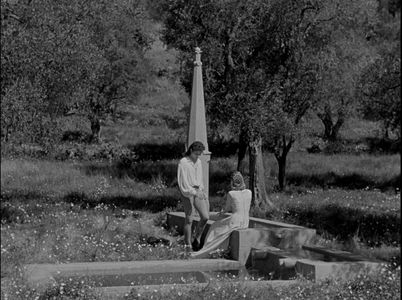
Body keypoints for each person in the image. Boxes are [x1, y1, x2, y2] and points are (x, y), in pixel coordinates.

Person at [190, 171, 251, 258]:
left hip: (235, 221)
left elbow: (227, 209)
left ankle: (206, 248)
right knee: (220, 225)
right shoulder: (249, 192)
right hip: (246, 222)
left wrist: (222, 212)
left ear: (232, 182)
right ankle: (217, 250)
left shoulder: (231, 193)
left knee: (214, 226)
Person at [177, 141, 209, 251]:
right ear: (191, 151)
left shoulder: (199, 162)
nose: (197, 156)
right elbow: (183, 182)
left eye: (199, 154)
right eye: (196, 153)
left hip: (197, 190)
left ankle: (197, 238)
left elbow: (200, 178)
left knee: (205, 217)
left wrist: (201, 190)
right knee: (189, 218)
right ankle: (188, 245)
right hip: (187, 192)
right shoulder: (183, 162)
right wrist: (193, 192)